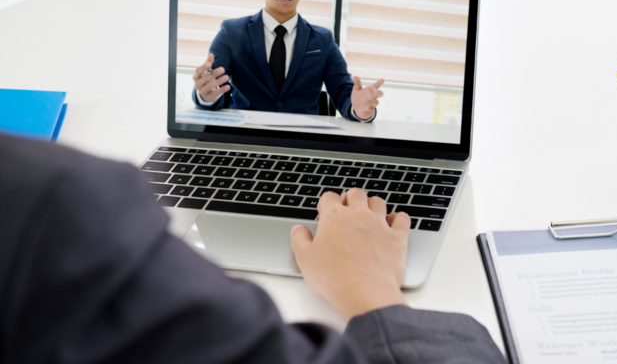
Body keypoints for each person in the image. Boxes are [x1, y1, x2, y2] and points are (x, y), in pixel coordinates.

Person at [0, 133, 506, 363]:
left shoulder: (320, 44)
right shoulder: (60, 211)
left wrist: (357, 109)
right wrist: (366, 285)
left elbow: (336, 102)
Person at [192, 0, 383, 122]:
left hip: (303, 144)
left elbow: (343, 93)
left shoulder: (322, 39)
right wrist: (205, 95)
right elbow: (214, 85)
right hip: (244, 138)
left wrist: (359, 109)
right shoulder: (231, 32)